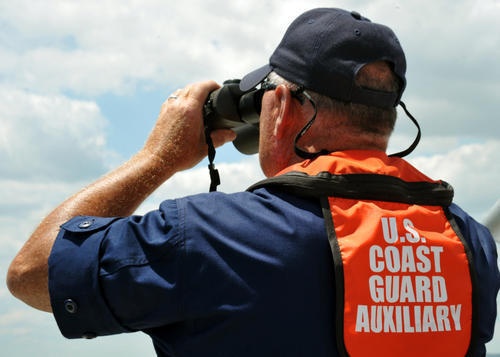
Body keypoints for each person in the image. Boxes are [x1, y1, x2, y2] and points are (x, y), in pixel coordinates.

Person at [6, 7, 499, 357]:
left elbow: (31, 272)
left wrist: (157, 158)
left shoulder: (210, 239)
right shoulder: (470, 242)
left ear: (280, 106)